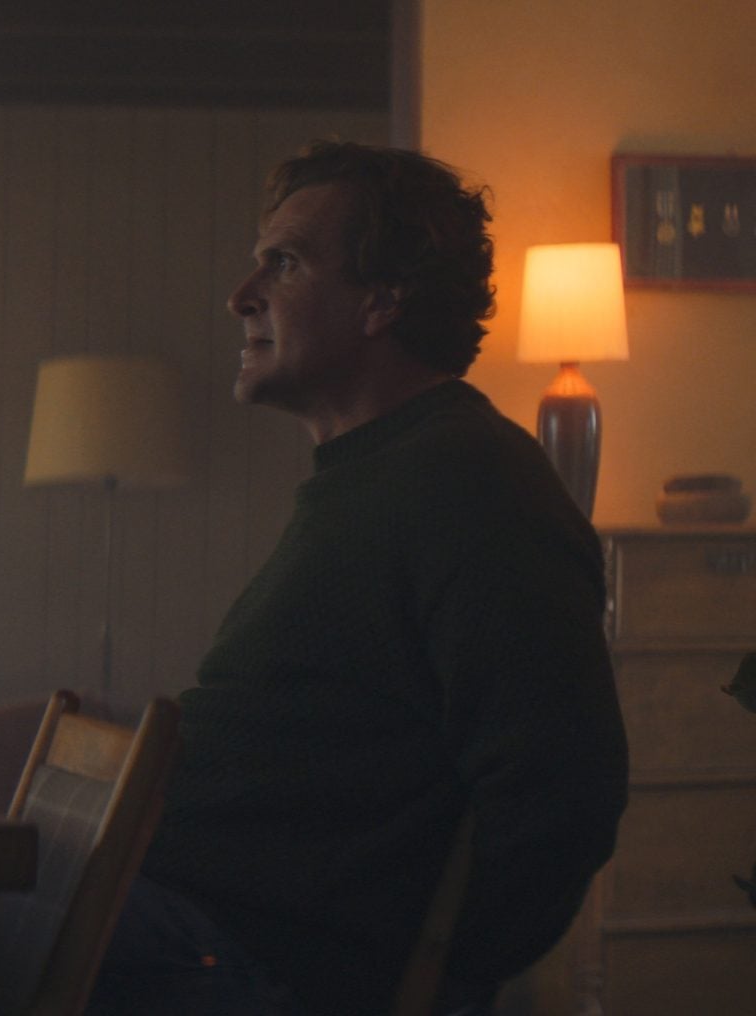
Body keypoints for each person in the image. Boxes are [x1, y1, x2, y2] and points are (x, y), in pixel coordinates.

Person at [91, 142, 630, 1015]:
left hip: (244, 964)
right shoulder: (371, 475)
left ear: (383, 300)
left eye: (285, 263)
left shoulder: (472, 481)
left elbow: (565, 790)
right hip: (166, 914)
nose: (242, 295)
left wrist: (431, 977)